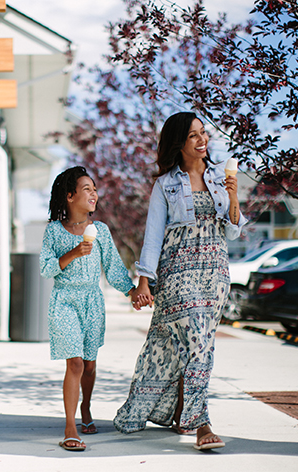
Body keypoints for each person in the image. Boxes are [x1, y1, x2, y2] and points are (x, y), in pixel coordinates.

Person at [113, 112, 247, 451]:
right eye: (193, 136)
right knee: (198, 344)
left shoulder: (220, 177)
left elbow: (234, 228)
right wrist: (145, 281)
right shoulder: (165, 184)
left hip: (214, 273)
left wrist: (233, 197)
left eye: (203, 133)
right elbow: (153, 236)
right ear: (179, 143)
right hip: (177, 272)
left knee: (183, 346)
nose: (202, 140)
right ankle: (200, 423)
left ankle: (177, 412)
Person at [40, 166, 139, 452]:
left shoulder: (102, 232)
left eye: (95, 189)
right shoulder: (54, 231)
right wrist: (73, 252)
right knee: (75, 363)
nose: (94, 193)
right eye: (87, 189)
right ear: (70, 196)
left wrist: (131, 292)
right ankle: (70, 425)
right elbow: (46, 269)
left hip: (92, 302)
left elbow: (114, 268)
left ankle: (86, 405)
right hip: (65, 301)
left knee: (90, 364)